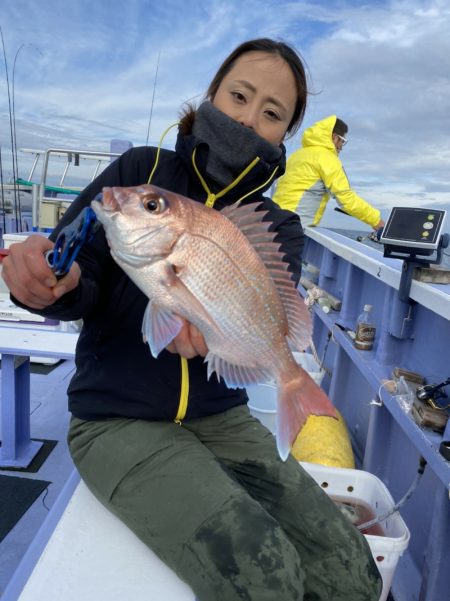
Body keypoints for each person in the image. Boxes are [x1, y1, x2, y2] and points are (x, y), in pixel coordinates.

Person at [1, 39, 381, 601]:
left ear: (286, 135)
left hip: (221, 419)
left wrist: (229, 344)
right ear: (212, 93)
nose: (249, 118)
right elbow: (76, 270)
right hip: (117, 419)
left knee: (354, 572)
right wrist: (53, 283)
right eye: (239, 95)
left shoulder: (279, 228)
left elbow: (255, 324)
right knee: (263, 573)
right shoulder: (141, 172)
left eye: (272, 113)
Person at [273, 114, 385, 230]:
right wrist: (376, 220)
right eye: (342, 141)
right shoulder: (327, 158)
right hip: (293, 226)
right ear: (334, 137)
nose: (341, 147)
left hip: (272, 221)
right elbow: (346, 198)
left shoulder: (296, 155)